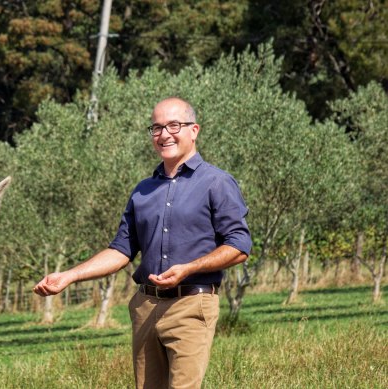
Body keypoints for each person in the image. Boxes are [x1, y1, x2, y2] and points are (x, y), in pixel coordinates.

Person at [33, 97, 252, 389]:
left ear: (194, 130)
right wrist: (69, 276)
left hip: (191, 303)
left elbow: (239, 245)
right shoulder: (143, 191)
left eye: (174, 125)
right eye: (156, 128)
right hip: (145, 306)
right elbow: (121, 250)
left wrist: (188, 268)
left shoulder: (217, 183)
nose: (164, 134)